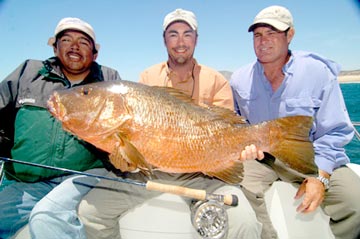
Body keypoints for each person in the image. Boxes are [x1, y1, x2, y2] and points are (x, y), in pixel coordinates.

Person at [78, 8, 262, 239]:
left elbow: (228, 130)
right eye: (173, 34)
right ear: (165, 40)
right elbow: (130, 154)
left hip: (204, 174)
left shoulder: (216, 80)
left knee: (245, 222)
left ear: (196, 38)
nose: (180, 42)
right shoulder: (148, 77)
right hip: (151, 173)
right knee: (90, 214)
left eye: (187, 34)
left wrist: (245, 147)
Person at [230, 5, 360, 239]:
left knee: (355, 201)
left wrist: (320, 177)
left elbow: (334, 132)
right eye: (258, 35)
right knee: (232, 191)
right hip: (263, 161)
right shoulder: (239, 79)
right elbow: (236, 125)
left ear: (290, 35)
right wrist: (244, 147)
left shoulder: (318, 72)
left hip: (310, 158)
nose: (263, 41)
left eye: (272, 34)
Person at [0, 17, 121, 239]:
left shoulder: (109, 80)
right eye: (66, 40)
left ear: (95, 53)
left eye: (83, 42)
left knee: (46, 218)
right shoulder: (28, 72)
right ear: (55, 48)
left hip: (82, 178)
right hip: (26, 181)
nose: (74, 46)